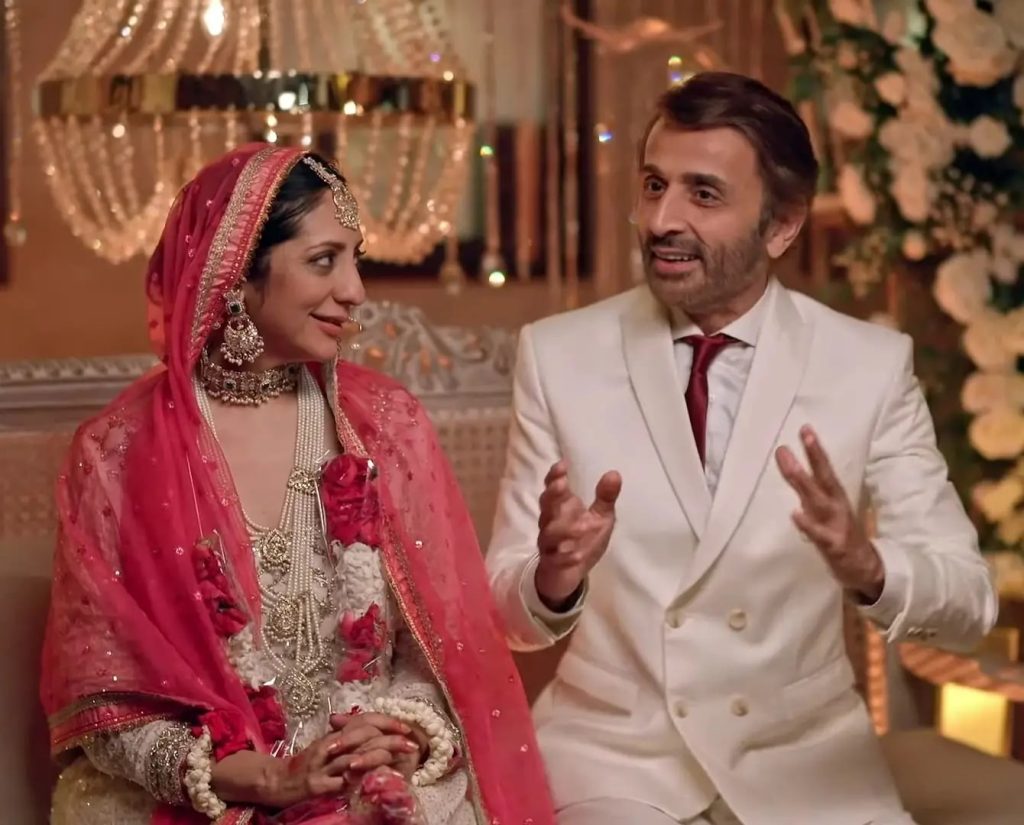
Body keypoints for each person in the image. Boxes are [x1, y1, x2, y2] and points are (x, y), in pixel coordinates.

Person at [486, 72, 997, 825]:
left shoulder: (870, 365)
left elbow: (970, 604)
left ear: (782, 225)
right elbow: (504, 616)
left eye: (704, 194)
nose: (662, 219)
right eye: (654, 185)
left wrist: (870, 567)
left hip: (808, 766)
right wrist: (553, 576)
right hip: (616, 765)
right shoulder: (557, 354)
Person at [42, 144, 556, 825]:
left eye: (355, 259)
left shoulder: (383, 426)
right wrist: (262, 778)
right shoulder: (118, 452)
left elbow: (438, 650)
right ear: (236, 272)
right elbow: (101, 697)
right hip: (206, 792)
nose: (355, 290)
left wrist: (395, 732)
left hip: (367, 787)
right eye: (323, 261)